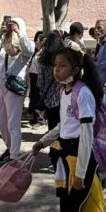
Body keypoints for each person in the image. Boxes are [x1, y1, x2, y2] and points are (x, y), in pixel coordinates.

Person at [32, 48, 106, 212]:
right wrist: (44, 141)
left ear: (75, 69)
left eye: (62, 65)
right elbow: (65, 125)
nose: (56, 70)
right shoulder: (66, 90)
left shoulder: (82, 93)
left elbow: (85, 136)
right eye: (55, 65)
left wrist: (81, 174)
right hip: (65, 160)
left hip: (79, 162)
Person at [0, 17, 33, 164]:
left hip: (14, 88)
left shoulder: (25, 44)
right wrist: (0, 32)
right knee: (0, 122)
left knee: (13, 123)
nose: (10, 27)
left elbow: (29, 50)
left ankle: (14, 156)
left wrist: (18, 32)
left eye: (14, 24)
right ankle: (10, 148)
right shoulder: (2, 44)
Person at [39, 31, 66, 168]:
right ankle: (63, 157)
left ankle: (54, 158)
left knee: (52, 129)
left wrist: (43, 95)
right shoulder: (64, 60)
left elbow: (40, 82)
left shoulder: (43, 60)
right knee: (64, 130)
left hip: (50, 100)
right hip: (64, 98)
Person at [27, 31, 47, 128]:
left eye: (37, 41)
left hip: (39, 77)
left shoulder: (43, 53)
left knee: (39, 98)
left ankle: (40, 119)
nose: (36, 42)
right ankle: (35, 117)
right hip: (34, 77)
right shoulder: (37, 52)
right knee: (34, 98)